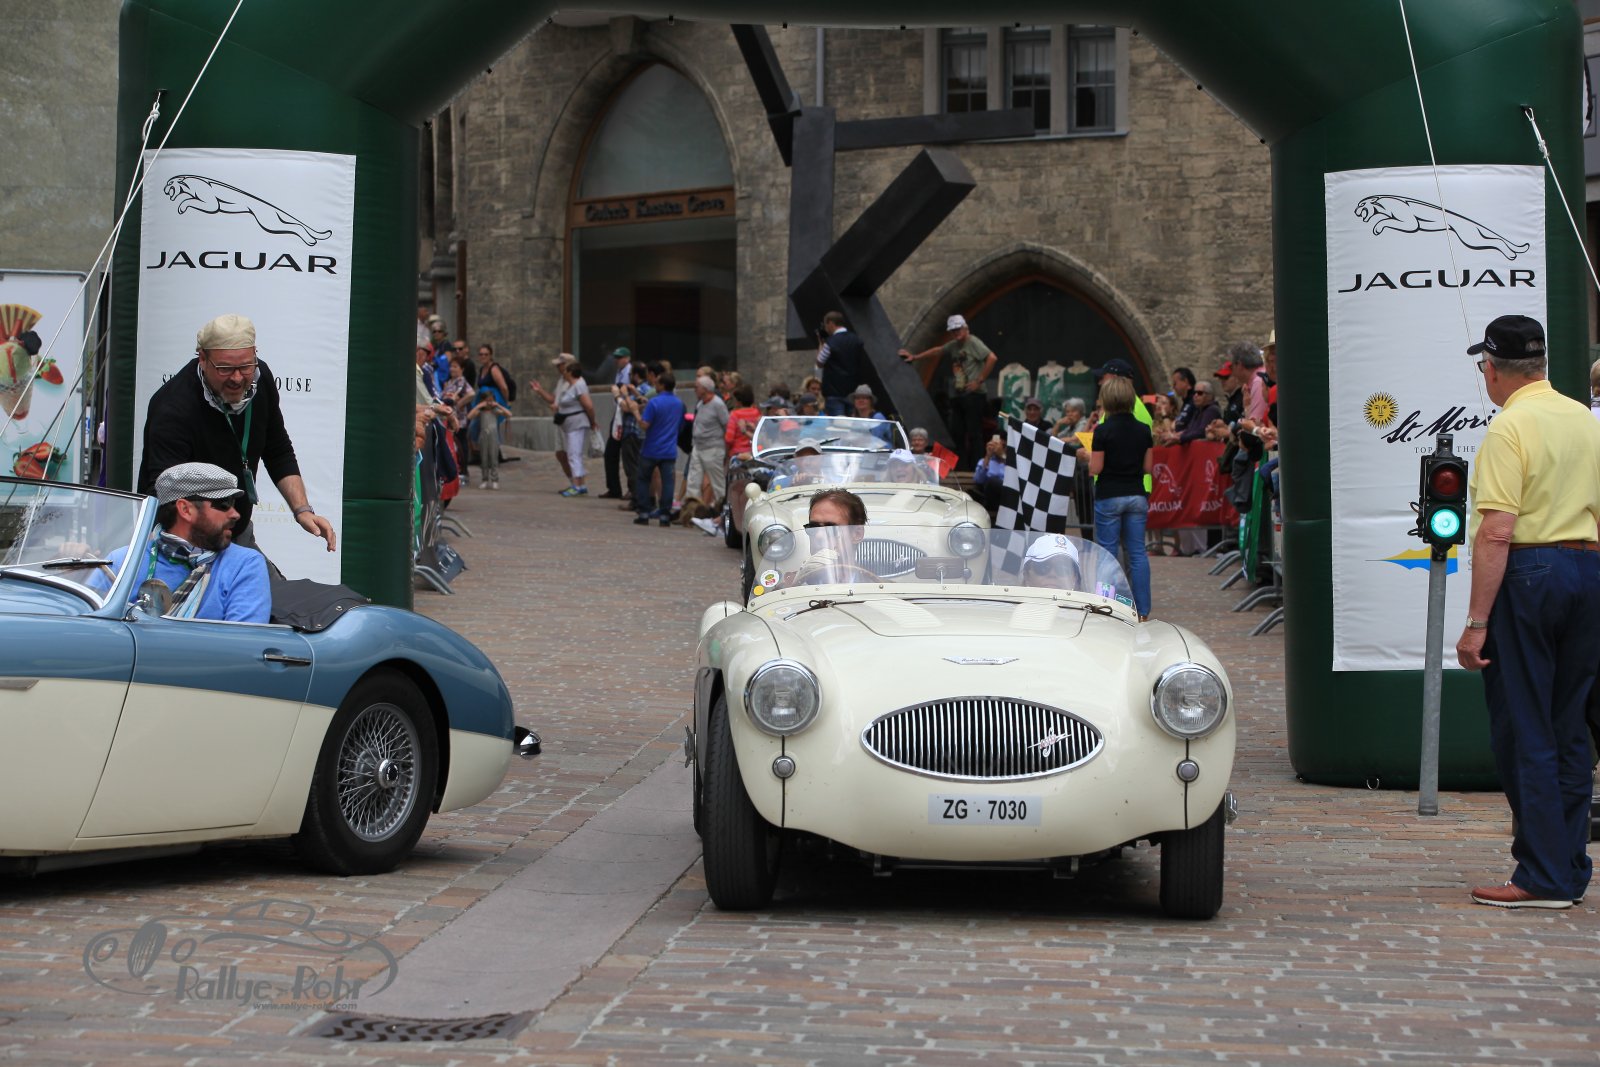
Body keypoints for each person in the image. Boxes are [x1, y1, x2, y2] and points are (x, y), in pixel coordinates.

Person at [1454, 314, 1600, 910]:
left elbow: (1497, 530)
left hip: (1532, 571)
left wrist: (1476, 623)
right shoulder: (1583, 418)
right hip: (1588, 566)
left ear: (1491, 369)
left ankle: (1542, 873)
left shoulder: (1509, 426)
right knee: (1569, 729)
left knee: (1524, 726)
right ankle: (1567, 868)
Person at [138, 313, 336, 554]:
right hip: (184, 542)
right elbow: (165, 495)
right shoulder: (173, 408)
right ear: (202, 359)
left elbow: (278, 449)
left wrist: (302, 510)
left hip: (235, 533)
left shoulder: (261, 379)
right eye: (225, 368)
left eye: (245, 366)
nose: (237, 378)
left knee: (264, 577)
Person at [95, 462, 270, 623]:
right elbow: (90, 625)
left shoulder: (244, 564)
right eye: (224, 504)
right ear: (185, 509)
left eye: (234, 504)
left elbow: (243, 642)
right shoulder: (122, 562)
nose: (235, 514)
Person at [1090, 374, 1153, 621]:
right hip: (1136, 494)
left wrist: (1088, 461)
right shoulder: (1143, 430)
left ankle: (1107, 604)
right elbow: (1148, 467)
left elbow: (1096, 468)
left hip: (1109, 495)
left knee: (1108, 552)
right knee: (1137, 553)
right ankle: (1143, 611)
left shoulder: (1102, 431)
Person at [901, 314, 996, 471]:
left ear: (965, 328)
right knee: (957, 432)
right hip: (959, 394)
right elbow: (938, 350)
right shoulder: (954, 345)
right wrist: (915, 357)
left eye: (958, 329)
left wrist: (979, 380)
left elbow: (992, 358)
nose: (956, 333)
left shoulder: (973, 342)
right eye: (953, 331)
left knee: (974, 433)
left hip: (974, 394)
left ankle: (976, 467)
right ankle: (961, 467)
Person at [531, 358, 598, 497]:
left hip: (576, 424)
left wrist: (592, 421)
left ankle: (577, 486)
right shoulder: (569, 385)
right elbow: (557, 400)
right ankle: (580, 484)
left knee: (574, 454)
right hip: (568, 424)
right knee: (573, 454)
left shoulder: (579, 385)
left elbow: (589, 406)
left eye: (564, 369)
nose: (562, 372)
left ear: (570, 371)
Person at [632, 371, 684, 526]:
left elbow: (644, 425)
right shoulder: (679, 404)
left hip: (651, 448)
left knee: (643, 479)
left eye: (657, 382)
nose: (654, 384)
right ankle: (665, 515)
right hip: (669, 450)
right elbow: (680, 425)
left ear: (662, 385)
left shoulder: (654, 403)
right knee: (668, 483)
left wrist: (635, 412)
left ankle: (644, 512)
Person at [789, 488, 870, 585]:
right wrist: (797, 583)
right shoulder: (790, 585)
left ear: (857, 534)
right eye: (813, 527)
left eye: (831, 528)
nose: (818, 535)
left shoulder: (877, 587)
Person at [687, 375, 730, 508]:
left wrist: (726, 449)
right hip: (698, 447)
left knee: (717, 482)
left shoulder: (718, 404)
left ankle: (722, 509)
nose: (695, 390)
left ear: (705, 389)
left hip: (713, 448)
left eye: (697, 387)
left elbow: (726, 425)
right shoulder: (700, 403)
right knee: (693, 480)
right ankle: (692, 509)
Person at [816, 311, 868, 417]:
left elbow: (820, 362)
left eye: (826, 325)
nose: (826, 328)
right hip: (852, 390)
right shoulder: (856, 340)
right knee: (851, 422)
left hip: (834, 391)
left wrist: (821, 344)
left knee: (838, 424)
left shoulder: (831, 342)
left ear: (831, 323)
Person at [465, 385, 511, 489]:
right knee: (484, 458)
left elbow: (509, 414)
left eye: (491, 400)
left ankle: (495, 479)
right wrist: (478, 406)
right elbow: (469, 416)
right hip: (483, 436)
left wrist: (498, 405)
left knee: (494, 458)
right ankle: (484, 479)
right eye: (487, 401)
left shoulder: (495, 411)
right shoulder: (480, 412)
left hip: (494, 436)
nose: (489, 403)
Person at [601, 346, 632, 498]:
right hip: (618, 413)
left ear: (627, 358)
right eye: (616, 358)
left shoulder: (629, 372)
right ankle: (614, 488)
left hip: (626, 412)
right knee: (611, 453)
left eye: (619, 358)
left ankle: (632, 489)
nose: (616, 360)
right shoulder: (619, 372)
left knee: (628, 454)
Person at [725, 383, 760, 461]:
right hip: (752, 452)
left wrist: (726, 454)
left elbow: (729, 439)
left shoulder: (734, 415)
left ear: (739, 402)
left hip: (737, 454)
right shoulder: (757, 413)